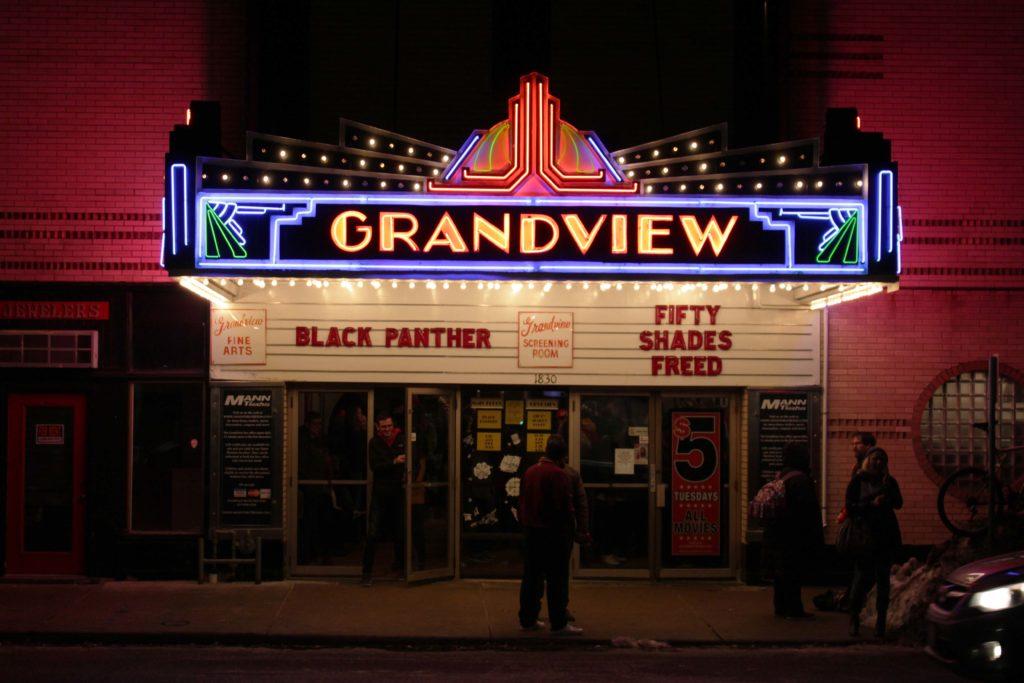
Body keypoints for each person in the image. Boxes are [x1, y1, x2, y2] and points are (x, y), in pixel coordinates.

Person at [518, 434, 580, 635]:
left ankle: (528, 619)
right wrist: (574, 530)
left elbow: (522, 501)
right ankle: (559, 622)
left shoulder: (530, 472)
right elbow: (564, 507)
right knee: (557, 580)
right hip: (554, 533)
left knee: (531, 578)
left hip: (531, 531)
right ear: (562, 456)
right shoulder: (558, 475)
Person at [846, 447, 903, 638]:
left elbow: (899, 503)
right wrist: (871, 504)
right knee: (861, 579)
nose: (878, 463)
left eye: (882, 460)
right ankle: (854, 618)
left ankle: (880, 623)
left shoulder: (889, 481)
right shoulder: (858, 481)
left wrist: (888, 493)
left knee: (883, 582)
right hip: (865, 536)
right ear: (868, 460)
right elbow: (850, 507)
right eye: (875, 459)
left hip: (884, 537)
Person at [764, 442, 824, 619]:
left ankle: (780, 606)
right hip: (794, 534)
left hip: (777, 532)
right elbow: (806, 510)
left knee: (781, 573)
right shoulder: (801, 480)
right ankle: (794, 609)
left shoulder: (781, 475)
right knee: (793, 573)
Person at [360, 412, 406, 586]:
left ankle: (401, 567)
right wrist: (393, 462)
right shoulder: (374, 443)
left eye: (389, 426)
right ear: (378, 427)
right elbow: (375, 467)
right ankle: (366, 573)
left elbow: (409, 463)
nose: (387, 430)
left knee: (400, 531)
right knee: (373, 533)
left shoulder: (401, 439)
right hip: (380, 492)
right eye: (384, 427)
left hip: (398, 492)